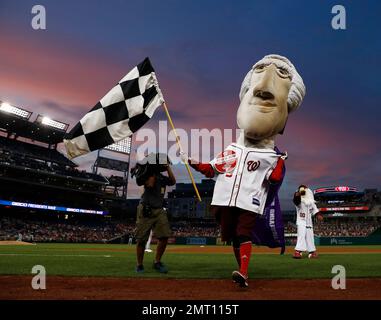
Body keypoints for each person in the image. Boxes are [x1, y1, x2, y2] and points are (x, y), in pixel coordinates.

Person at [184, 54, 306, 288]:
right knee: (232, 236)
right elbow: (211, 170)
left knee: (243, 233)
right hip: (225, 200)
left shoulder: (271, 156)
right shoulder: (231, 149)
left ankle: (244, 272)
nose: (264, 88)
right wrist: (190, 161)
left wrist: (280, 162)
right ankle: (241, 268)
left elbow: (275, 178)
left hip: (249, 201)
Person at [132, 154, 176, 273]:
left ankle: (157, 262)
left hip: (159, 209)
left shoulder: (161, 177)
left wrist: (168, 168)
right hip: (146, 209)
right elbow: (146, 183)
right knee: (141, 239)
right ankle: (139, 265)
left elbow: (173, 181)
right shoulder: (147, 173)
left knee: (164, 236)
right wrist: (150, 171)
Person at [293, 185, 323, 259]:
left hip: (309, 222)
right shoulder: (301, 202)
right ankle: (298, 252)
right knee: (301, 236)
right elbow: (296, 201)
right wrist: (297, 195)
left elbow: (315, 210)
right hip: (301, 221)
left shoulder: (311, 203)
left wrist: (318, 215)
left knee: (310, 238)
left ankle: (311, 253)